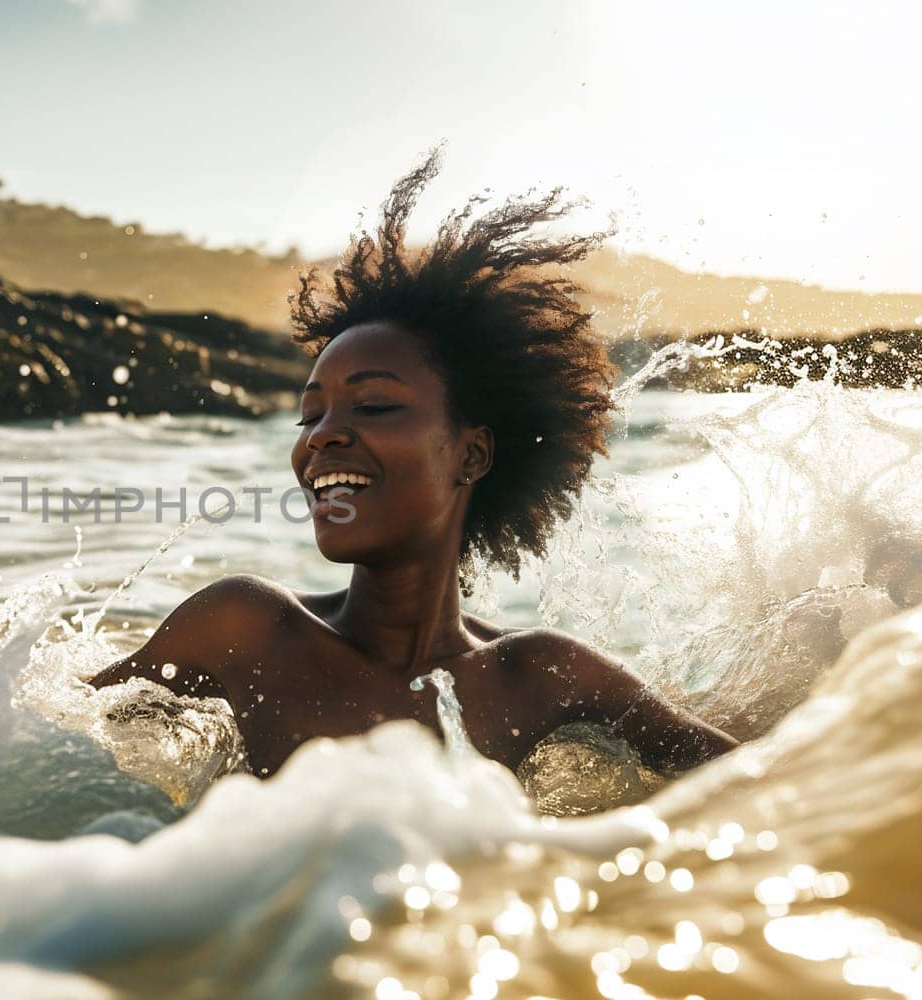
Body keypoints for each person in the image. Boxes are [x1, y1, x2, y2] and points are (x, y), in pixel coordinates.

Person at [88, 150, 739, 779]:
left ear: (471, 453)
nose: (322, 438)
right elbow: (32, 746)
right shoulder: (247, 628)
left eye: (371, 406)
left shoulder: (536, 676)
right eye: (310, 415)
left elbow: (773, 783)